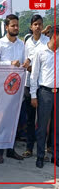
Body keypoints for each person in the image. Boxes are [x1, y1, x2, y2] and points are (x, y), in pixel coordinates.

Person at [0, 14, 26, 163]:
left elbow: (24, 62)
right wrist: (9, 63)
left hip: (17, 87)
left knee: (14, 119)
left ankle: (10, 149)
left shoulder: (21, 44)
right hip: (2, 88)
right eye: (13, 25)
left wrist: (25, 65)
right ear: (6, 27)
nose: (16, 28)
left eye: (17, 25)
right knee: (1, 119)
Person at [30, 25, 59, 168]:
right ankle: (40, 156)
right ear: (54, 36)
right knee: (42, 127)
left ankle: (56, 155)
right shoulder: (40, 51)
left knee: (57, 127)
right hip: (44, 93)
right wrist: (33, 95)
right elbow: (34, 75)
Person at [22, 15, 50, 159]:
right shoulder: (27, 42)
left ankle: (43, 150)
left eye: (40, 24)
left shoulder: (47, 42)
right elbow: (25, 61)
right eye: (35, 24)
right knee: (30, 119)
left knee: (43, 121)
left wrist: (32, 68)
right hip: (28, 83)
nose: (37, 27)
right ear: (31, 27)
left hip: (43, 85)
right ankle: (29, 148)